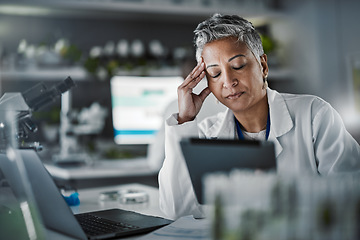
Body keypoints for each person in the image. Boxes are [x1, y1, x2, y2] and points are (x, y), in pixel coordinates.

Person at [158, 13, 360, 220]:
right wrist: (183, 120)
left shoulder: (314, 115)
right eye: (215, 74)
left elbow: (351, 196)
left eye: (238, 66)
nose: (228, 81)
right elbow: (177, 210)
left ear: (263, 66)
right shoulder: (207, 133)